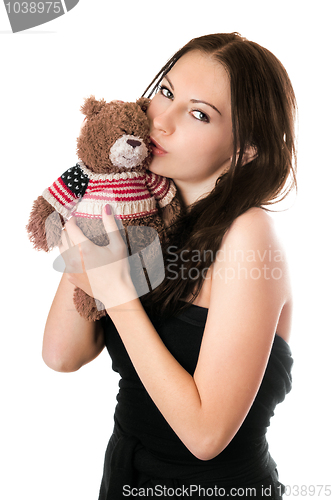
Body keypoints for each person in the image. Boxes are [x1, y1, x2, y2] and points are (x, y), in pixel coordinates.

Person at [42, 33, 297, 499]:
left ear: (245, 150)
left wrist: (118, 294)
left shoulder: (248, 235)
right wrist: (103, 194)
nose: (161, 120)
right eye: (166, 91)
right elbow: (62, 354)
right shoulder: (146, 210)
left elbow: (205, 437)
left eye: (199, 113)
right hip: (125, 478)